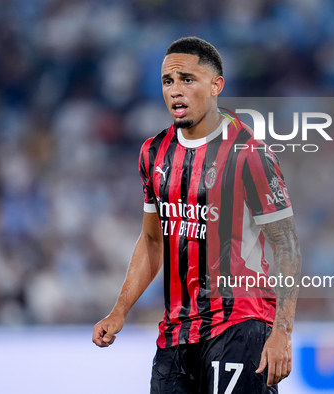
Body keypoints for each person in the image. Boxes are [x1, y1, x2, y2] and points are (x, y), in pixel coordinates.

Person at [93, 36, 301, 393]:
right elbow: (152, 240)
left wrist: (281, 330)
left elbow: (287, 246)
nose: (175, 90)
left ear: (216, 85)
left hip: (240, 323)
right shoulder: (153, 153)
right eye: (168, 81)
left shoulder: (248, 153)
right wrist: (120, 310)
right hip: (176, 335)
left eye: (187, 79)